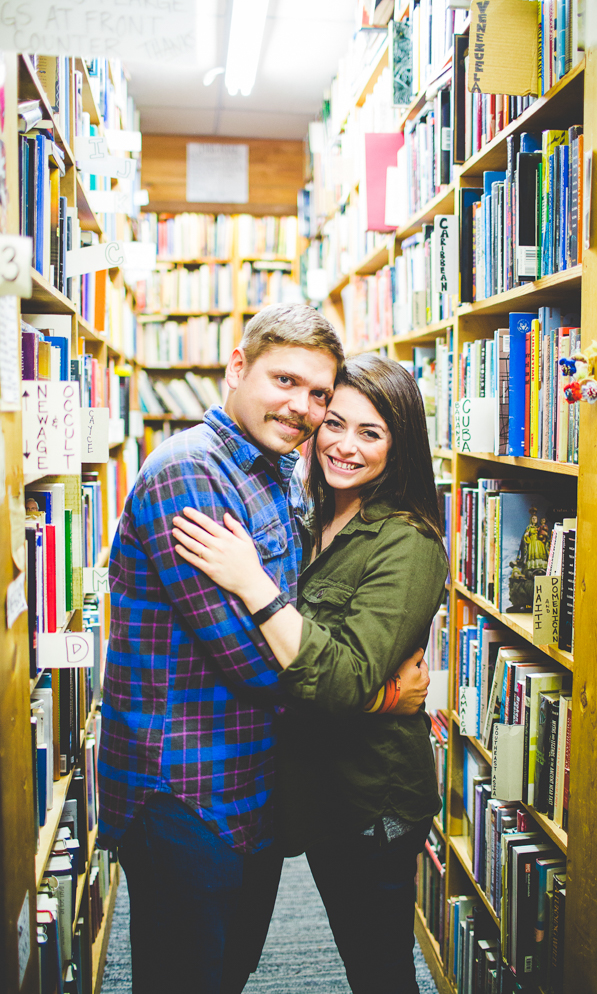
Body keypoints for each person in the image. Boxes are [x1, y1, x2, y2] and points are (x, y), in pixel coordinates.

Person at [172, 353, 448, 994]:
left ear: (399, 445)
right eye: (335, 424)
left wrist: (253, 584)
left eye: (370, 433)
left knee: (378, 971)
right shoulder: (306, 511)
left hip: (368, 800)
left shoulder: (408, 543)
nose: (344, 446)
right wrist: (387, 696)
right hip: (304, 788)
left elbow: (344, 677)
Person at [98, 304, 347, 993]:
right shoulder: (189, 473)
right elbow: (253, 659)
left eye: (319, 394)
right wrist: (358, 682)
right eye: (285, 380)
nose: (302, 408)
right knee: (183, 978)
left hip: (250, 779)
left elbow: (290, 612)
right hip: (183, 791)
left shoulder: (276, 467)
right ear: (237, 367)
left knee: (229, 970)